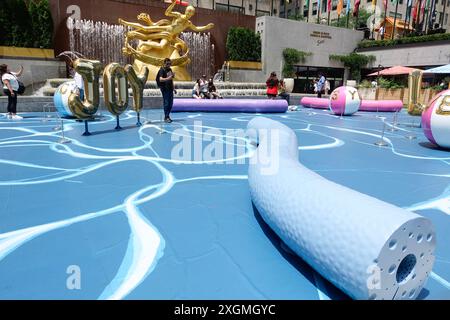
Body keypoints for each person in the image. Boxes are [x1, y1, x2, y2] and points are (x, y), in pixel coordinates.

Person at [156, 58, 177, 123]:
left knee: (171, 103)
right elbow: (160, 79)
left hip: (170, 88)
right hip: (165, 88)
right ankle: (166, 117)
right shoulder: (161, 70)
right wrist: (168, 78)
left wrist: (174, 88)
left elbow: (171, 80)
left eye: (170, 64)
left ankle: (168, 116)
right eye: (167, 64)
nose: (169, 65)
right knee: (166, 102)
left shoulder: (170, 69)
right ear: (164, 63)